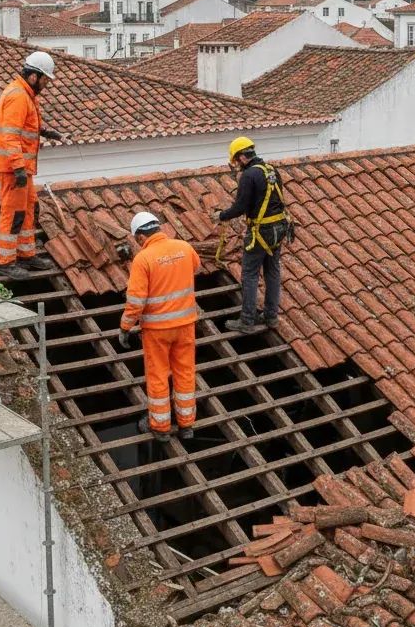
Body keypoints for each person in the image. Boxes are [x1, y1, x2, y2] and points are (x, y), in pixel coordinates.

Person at [119, 212, 201, 441]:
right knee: (185, 372)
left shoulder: (143, 259)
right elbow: (195, 267)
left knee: (158, 376)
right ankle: (187, 425)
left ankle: (161, 426)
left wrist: (125, 327)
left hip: (157, 330)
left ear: (141, 236)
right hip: (185, 325)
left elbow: (136, 301)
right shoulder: (184, 247)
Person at [0, 51, 67, 280]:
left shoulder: (26, 94)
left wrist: (45, 132)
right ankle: (4, 262)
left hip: (20, 167)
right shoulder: (19, 96)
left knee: (29, 207)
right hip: (12, 168)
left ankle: (26, 254)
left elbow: (24, 125)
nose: (46, 85)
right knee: (13, 214)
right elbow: (10, 136)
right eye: (45, 80)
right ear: (34, 76)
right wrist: (19, 168)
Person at [217, 136, 291, 334]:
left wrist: (222, 215)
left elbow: (240, 207)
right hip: (278, 229)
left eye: (236, 161)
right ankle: (271, 317)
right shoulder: (271, 170)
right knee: (272, 272)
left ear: (242, 157)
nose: (237, 165)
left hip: (261, 232)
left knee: (249, 274)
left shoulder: (249, 176)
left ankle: (247, 321)